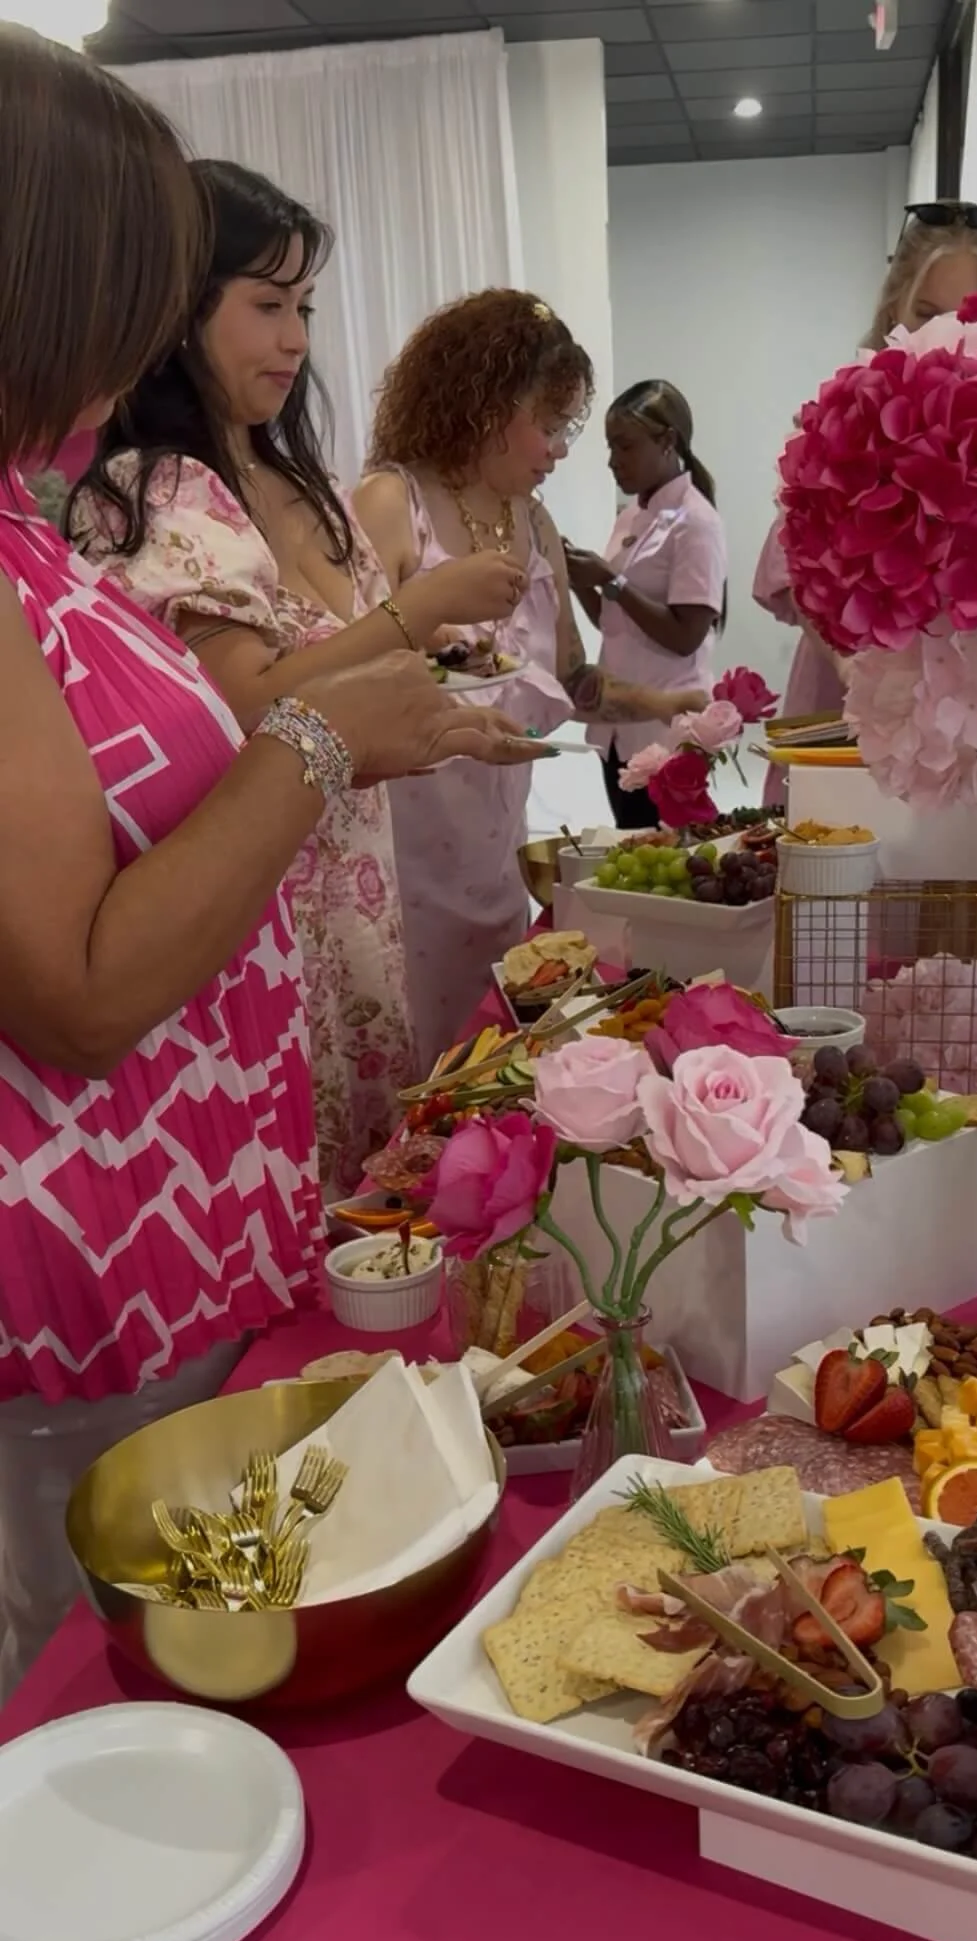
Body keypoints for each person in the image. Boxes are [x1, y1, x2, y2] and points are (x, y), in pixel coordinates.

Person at [0, 33, 545, 1700]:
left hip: (176, 1269)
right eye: (134, 291)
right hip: (79, 1300)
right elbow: (79, 993)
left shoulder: (28, 523)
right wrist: (324, 743)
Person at [71, 162, 527, 1196]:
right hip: (265, 917)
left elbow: (351, 672)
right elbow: (249, 703)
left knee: (373, 1209)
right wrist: (420, 607)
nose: (295, 340)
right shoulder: (159, 488)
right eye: (266, 305)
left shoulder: (297, 479)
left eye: (306, 308)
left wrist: (443, 701)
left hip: (354, 899)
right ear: (175, 313)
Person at [355, 295, 708, 1068]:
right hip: (403, 850)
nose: (557, 451)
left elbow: (573, 678)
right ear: (482, 406)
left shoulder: (534, 522)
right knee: (411, 1054)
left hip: (496, 850)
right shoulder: (391, 503)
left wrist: (667, 704)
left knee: (483, 1056)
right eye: (547, 426)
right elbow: (345, 667)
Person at [756, 201, 977, 804]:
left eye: (967, 314)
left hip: (971, 707)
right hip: (853, 691)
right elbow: (796, 570)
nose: (942, 333)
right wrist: (857, 671)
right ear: (894, 306)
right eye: (925, 313)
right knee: (836, 879)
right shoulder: (845, 418)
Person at [563, 380, 727, 831]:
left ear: (667, 441)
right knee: (631, 843)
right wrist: (582, 583)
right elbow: (615, 625)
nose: (614, 461)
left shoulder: (697, 522)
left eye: (626, 446)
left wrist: (611, 581)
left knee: (666, 859)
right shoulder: (631, 517)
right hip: (618, 727)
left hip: (666, 731)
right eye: (610, 447)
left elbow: (684, 636)